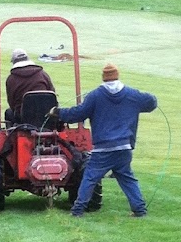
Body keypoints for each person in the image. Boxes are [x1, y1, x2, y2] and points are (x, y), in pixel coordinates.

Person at [50, 63, 157, 217]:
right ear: (117, 76)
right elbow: (151, 102)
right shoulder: (132, 95)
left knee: (90, 178)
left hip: (103, 149)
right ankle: (139, 210)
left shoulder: (95, 96)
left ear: (104, 78)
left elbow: (78, 114)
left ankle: (78, 210)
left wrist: (58, 112)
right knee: (127, 178)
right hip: (124, 147)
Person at [4, 48, 54, 122]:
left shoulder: (11, 79)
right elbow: (52, 93)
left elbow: (12, 103)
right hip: (46, 115)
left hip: (22, 117)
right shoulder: (43, 74)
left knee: (8, 113)